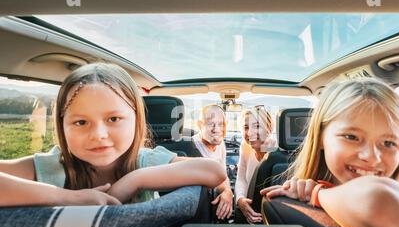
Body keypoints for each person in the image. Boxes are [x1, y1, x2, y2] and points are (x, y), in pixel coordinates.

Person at [0, 63, 228, 211]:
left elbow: (214, 171)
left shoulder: (143, 161)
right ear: (62, 126)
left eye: (113, 119)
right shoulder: (49, 166)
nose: (99, 135)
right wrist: (68, 197)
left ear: (136, 119)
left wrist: (134, 180)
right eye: (81, 122)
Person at [261, 79, 399, 227]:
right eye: (351, 137)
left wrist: (317, 194)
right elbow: (377, 205)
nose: (372, 157)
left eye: (388, 143)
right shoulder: (287, 207)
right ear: (321, 136)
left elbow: (381, 206)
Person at [235, 105, 277, 224]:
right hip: (249, 204)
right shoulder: (245, 147)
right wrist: (240, 200)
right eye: (246, 127)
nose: (250, 133)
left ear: (269, 128)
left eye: (257, 126)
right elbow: (241, 179)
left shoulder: (276, 151)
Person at [192, 104, 233, 219]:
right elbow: (209, 178)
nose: (217, 130)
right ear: (200, 125)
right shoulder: (192, 147)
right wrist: (226, 191)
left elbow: (223, 175)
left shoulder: (221, 144)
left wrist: (228, 191)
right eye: (211, 124)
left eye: (221, 124)